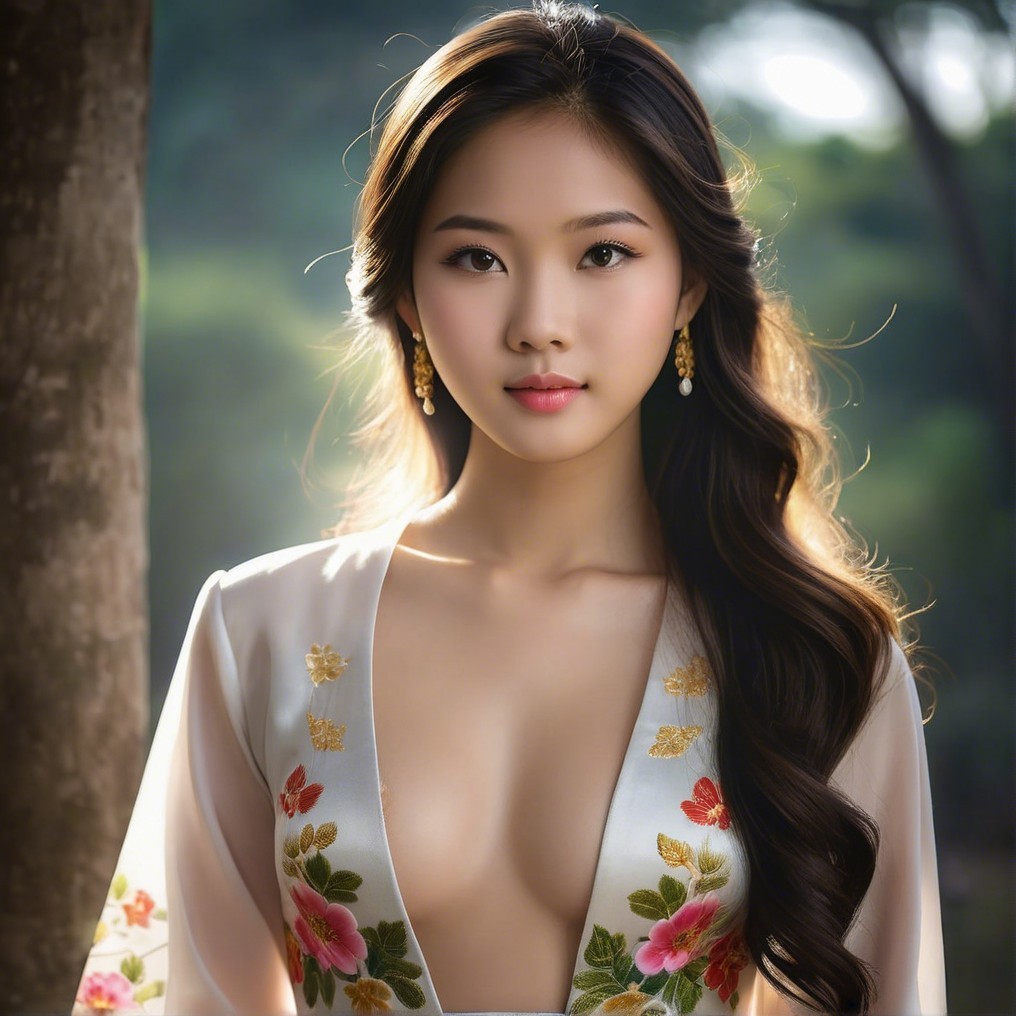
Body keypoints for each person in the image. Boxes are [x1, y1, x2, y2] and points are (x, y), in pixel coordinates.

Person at [73, 3, 947, 1014]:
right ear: (403, 292)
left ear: (689, 287)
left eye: (602, 254)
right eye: (475, 258)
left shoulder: (819, 658)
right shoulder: (258, 632)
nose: (538, 323)